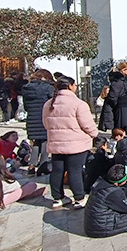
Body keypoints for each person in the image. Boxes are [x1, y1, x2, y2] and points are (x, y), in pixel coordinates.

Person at [42, 76, 99, 209]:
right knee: (75, 171)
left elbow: (46, 124)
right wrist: (95, 134)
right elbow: (87, 125)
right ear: (70, 86)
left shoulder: (49, 104)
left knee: (57, 171)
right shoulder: (79, 104)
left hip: (56, 143)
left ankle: (58, 198)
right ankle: (79, 198)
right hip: (76, 144)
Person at [22, 69, 55, 175]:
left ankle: (32, 165)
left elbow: (26, 106)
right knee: (45, 141)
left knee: (36, 142)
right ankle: (43, 165)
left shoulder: (26, 88)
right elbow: (52, 103)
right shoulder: (48, 88)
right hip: (45, 117)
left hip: (32, 117)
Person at [105, 62, 127, 129]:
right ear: (123, 70)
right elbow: (113, 97)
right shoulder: (118, 81)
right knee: (122, 130)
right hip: (122, 109)